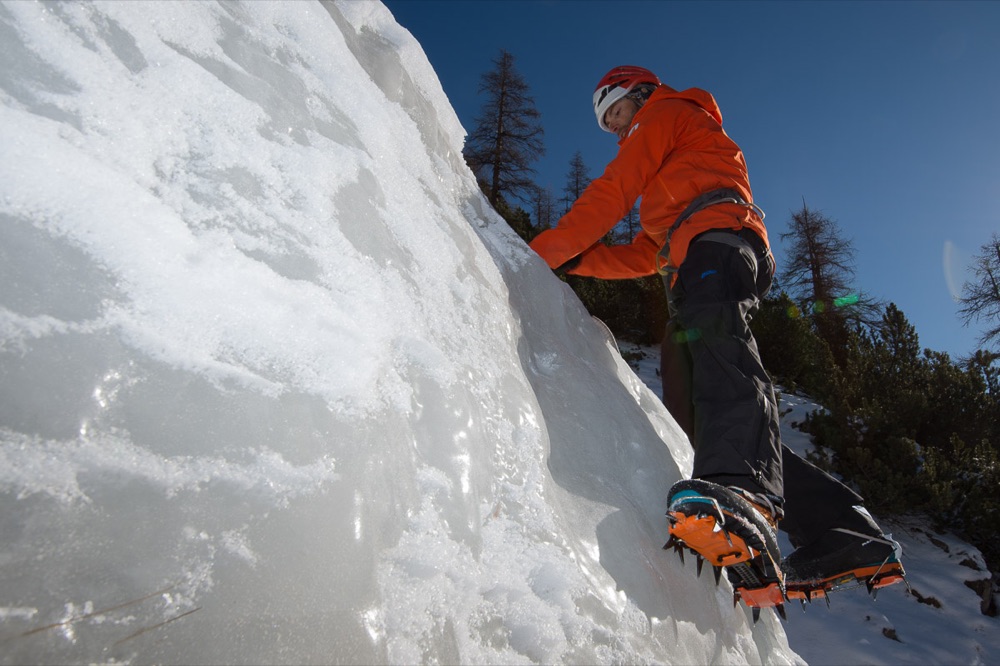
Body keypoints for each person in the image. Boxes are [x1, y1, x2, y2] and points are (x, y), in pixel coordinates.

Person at [529, 65, 904, 611]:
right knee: (692, 404)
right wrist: (575, 262)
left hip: (719, 242)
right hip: (691, 255)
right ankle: (843, 533)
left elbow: (613, 191)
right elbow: (644, 255)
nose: (617, 129)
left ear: (640, 94)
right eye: (609, 126)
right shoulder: (668, 177)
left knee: (721, 354)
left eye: (618, 113)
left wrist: (537, 253)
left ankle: (742, 490)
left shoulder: (669, 114)